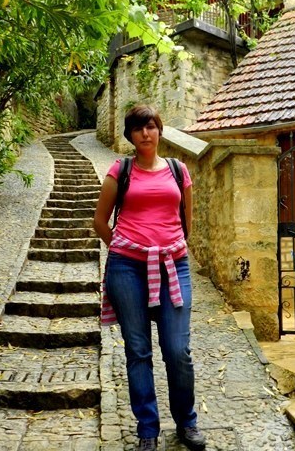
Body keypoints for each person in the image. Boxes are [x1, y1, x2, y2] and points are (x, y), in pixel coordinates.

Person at [93, 105, 206, 451]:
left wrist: (168, 247)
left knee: (177, 349)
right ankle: (147, 428)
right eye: (139, 128)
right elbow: (100, 221)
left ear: (160, 130)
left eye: (151, 126)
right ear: (130, 135)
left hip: (173, 265)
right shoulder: (120, 170)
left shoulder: (178, 170)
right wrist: (127, 249)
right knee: (138, 350)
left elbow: (186, 221)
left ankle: (187, 422)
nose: (146, 133)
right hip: (127, 269)